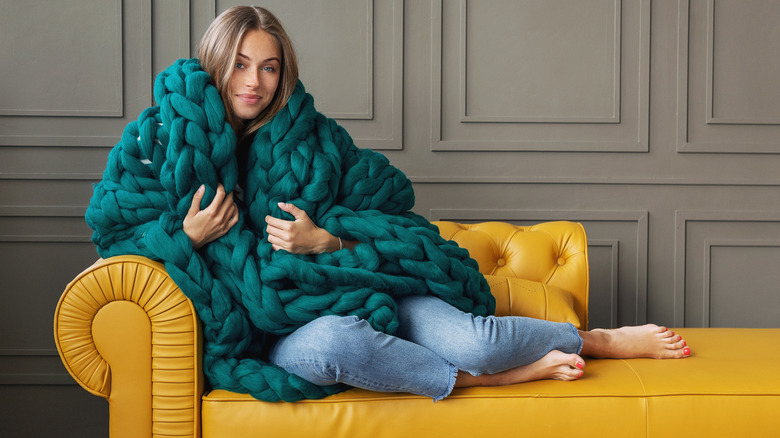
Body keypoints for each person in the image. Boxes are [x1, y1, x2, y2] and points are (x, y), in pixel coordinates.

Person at [89, 6, 690, 403]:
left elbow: (393, 204)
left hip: (367, 284)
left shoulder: (317, 138)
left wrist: (328, 240)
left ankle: (599, 340)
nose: (254, 81)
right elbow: (113, 239)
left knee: (475, 340)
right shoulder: (159, 139)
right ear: (215, 63)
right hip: (273, 328)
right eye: (241, 64)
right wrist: (186, 237)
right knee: (332, 348)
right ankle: (493, 381)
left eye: (270, 68)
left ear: (284, 74)